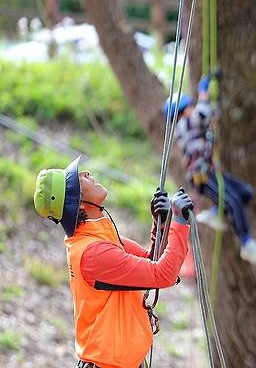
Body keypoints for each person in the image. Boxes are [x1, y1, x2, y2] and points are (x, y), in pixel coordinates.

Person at [33, 156, 194, 368]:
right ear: (78, 202)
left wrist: (161, 225)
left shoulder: (97, 237)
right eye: (78, 179)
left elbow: (150, 261)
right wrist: (180, 223)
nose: (86, 174)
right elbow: (163, 274)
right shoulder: (93, 252)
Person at [163, 73, 256, 265]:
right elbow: (202, 113)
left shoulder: (192, 124)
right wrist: (203, 92)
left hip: (210, 173)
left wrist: (214, 98)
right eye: (190, 107)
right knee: (233, 201)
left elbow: (210, 114)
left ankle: (214, 213)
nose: (193, 108)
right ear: (183, 111)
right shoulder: (183, 125)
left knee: (245, 192)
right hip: (201, 176)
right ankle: (246, 243)